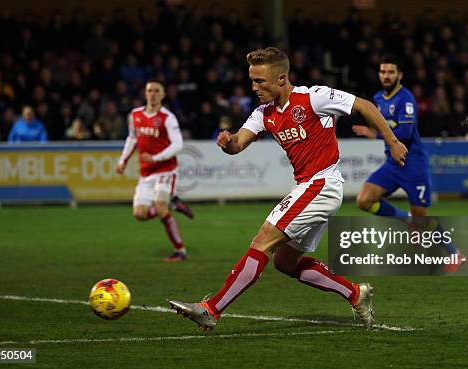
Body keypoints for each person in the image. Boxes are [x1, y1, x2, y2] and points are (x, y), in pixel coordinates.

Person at [168, 47, 407, 331]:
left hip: (321, 183)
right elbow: (238, 144)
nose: (254, 88)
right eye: (252, 81)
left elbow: (364, 105)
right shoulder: (263, 113)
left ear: (281, 78)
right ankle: (355, 293)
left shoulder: (313, 97)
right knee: (285, 261)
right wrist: (227, 141)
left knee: (264, 239)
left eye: (260, 81)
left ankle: (212, 309)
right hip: (313, 187)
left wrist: (392, 142)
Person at [352, 54, 460, 271]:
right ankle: (406, 218)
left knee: (423, 222)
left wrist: (376, 134)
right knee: (364, 200)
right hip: (393, 165)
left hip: (413, 165)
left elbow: (406, 132)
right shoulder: (378, 99)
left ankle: (454, 253)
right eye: (383, 71)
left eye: (391, 72)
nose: (386, 75)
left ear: (399, 75)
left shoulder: (406, 99)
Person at [116, 80, 193, 262]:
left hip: (166, 170)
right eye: (149, 90)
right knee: (140, 214)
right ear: (145, 93)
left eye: (157, 91)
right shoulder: (134, 115)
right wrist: (123, 161)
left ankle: (180, 250)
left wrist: (156, 157)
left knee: (160, 207)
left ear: (163, 94)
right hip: (146, 173)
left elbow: (178, 144)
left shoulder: (168, 117)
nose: (152, 94)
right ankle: (172, 205)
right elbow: (132, 138)